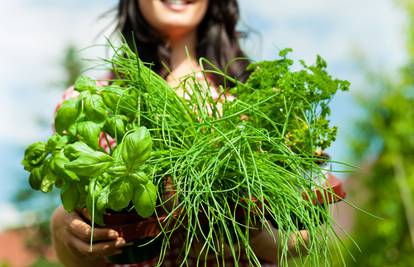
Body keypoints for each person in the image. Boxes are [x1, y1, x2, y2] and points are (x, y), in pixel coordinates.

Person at [51, 0, 309, 266]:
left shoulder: (260, 99)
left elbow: (303, 233)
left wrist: (256, 238)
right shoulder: (91, 103)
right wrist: (61, 227)